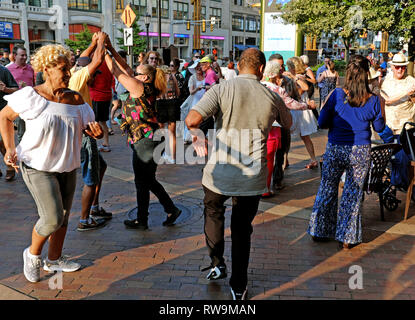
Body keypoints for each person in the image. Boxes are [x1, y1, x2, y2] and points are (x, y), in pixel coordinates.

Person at [185, 48, 292, 300]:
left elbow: (192, 118)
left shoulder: (222, 89)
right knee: (242, 230)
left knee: (213, 213)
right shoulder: (271, 95)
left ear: (240, 65)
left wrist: (198, 136)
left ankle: (216, 262)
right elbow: (288, 123)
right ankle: (239, 285)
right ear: (261, 69)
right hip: (252, 175)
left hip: (219, 172)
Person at [0, 44, 103, 282]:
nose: (68, 74)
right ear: (46, 69)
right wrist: (10, 148)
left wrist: (95, 133)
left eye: (69, 68)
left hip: (67, 166)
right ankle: (33, 254)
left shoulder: (76, 99)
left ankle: (54, 259)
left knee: (64, 217)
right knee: (52, 217)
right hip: (37, 166)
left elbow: (89, 127)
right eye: (63, 69)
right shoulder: (32, 96)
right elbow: (4, 116)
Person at [308, 55, 385, 249]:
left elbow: (322, 123)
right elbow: (379, 126)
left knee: (328, 187)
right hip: (360, 150)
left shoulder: (336, 95)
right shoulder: (374, 99)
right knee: (353, 192)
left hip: (336, 147)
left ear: (348, 74)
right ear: (367, 74)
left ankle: (320, 230)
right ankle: (347, 237)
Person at [105, 38, 182, 230]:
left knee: (142, 181)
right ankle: (167, 210)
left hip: (146, 141)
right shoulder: (144, 84)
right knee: (147, 180)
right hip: (148, 139)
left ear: (144, 77)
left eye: (137, 73)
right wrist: (112, 48)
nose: (132, 74)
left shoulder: (140, 88)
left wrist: (102, 50)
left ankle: (144, 218)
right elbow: (124, 68)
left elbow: (116, 70)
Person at [68, 32, 112, 231]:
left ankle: (94, 207)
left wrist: (93, 43)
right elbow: (95, 61)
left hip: (85, 131)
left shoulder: (75, 75)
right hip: (85, 134)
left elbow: (84, 60)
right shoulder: (77, 79)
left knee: (99, 167)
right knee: (90, 176)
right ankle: (84, 219)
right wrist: (101, 42)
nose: (95, 76)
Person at [261, 61, 316, 194]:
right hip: (273, 127)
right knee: (269, 158)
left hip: (256, 126)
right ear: (274, 74)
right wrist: (308, 106)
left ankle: (257, 187)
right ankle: (266, 189)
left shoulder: (258, 86)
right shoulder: (277, 90)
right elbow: (292, 104)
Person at [380, 52, 415, 189]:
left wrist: (412, 96)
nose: (400, 70)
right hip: (391, 126)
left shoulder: (412, 81)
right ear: (392, 67)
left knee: (405, 158)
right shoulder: (387, 82)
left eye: (403, 67)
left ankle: (402, 184)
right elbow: (387, 100)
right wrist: (407, 93)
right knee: (395, 158)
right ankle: (398, 183)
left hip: (406, 128)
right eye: (397, 67)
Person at [286, 57, 319, 169]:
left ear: (292, 67)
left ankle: (285, 161)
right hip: (300, 109)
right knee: (304, 137)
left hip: (298, 110)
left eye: (288, 66)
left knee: (289, 136)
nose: (287, 68)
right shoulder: (298, 76)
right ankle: (313, 159)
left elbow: (303, 88)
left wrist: (293, 78)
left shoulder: (299, 77)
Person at [88, 45, 115, 152]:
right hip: (106, 95)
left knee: (93, 122)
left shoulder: (95, 65)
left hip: (96, 96)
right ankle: (105, 143)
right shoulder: (108, 64)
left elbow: (90, 82)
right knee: (103, 121)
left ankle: (93, 145)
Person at [7, 45, 35, 144]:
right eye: (22, 55)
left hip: (31, 104)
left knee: (33, 131)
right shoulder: (8, 69)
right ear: (15, 56)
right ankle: (23, 157)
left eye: (25, 55)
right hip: (17, 105)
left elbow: (34, 85)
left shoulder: (30, 69)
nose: (24, 57)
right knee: (21, 132)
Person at [0, 64, 19, 180]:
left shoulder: (3, 71)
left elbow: (15, 89)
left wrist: (5, 89)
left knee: (3, 142)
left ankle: (10, 167)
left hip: (2, 112)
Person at [181, 60, 206, 143]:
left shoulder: (206, 76)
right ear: (195, 69)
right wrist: (197, 88)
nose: (199, 68)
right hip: (195, 101)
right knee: (194, 120)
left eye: (200, 66)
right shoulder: (192, 78)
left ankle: (201, 136)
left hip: (205, 101)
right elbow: (191, 92)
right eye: (197, 67)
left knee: (204, 120)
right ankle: (189, 137)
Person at [109, 50, 128, 128]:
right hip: (121, 89)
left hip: (118, 89)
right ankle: (119, 119)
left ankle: (114, 119)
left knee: (117, 105)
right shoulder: (119, 66)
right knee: (122, 106)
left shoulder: (115, 66)